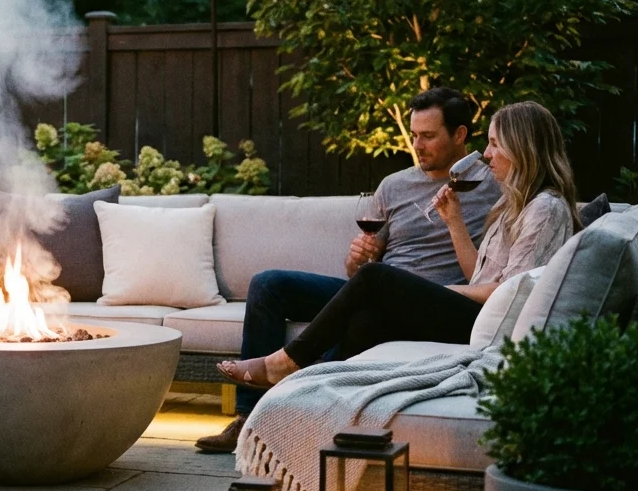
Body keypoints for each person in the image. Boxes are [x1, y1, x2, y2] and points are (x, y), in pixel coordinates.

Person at [195, 87, 501, 453]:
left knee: (366, 313)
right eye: (415, 135)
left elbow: (494, 269)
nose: (418, 145)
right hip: (376, 284)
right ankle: (249, 419)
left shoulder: (492, 188)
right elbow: (363, 267)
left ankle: (292, 398)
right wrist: (360, 257)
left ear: (460, 135)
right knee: (268, 284)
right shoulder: (395, 185)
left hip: (435, 302)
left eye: (429, 136)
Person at [218, 100, 578, 393]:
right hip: (403, 292)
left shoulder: (538, 206)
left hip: (470, 314)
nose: (487, 154)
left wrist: (434, 288)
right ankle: (293, 403)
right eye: (414, 135)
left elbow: (509, 292)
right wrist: (451, 222)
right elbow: (478, 276)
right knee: (325, 297)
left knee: (375, 284)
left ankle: (287, 366)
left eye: (496, 144)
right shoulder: (513, 204)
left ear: (522, 148)